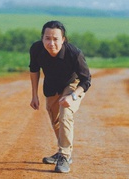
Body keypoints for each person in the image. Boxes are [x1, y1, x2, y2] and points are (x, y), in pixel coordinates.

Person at [29, 20, 91, 174]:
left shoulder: (74, 53)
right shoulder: (36, 49)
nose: (51, 43)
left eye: (56, 39)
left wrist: (73, 97)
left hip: (73, 84)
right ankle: (62, 151)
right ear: (42, 38)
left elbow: (86, 80)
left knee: (65, 114)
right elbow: (34, 70)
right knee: (55, 119)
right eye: (47, 38)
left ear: (63, 39)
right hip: (51, 86)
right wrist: (34, 95)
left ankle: (64, 155)